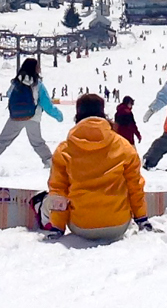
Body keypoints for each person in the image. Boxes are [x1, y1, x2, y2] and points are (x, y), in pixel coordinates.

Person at [45, 92, 149, 243]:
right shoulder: (123, 146)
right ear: (103, 113)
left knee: (49, 197)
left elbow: (59, 189)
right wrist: (142, 218)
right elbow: (135, 186)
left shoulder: (65, 149)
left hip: (81, 226)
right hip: (118, 224)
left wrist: (58, 227)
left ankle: (42, 211)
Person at [0, 57, 61, 170]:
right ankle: (49, 162)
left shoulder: (17, 82)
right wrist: (58, 115)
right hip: (33, 117)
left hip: (16, 116)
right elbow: (46, 104)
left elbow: (9, 94)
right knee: (37, 142)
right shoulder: (38, 84)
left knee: (3, 140)